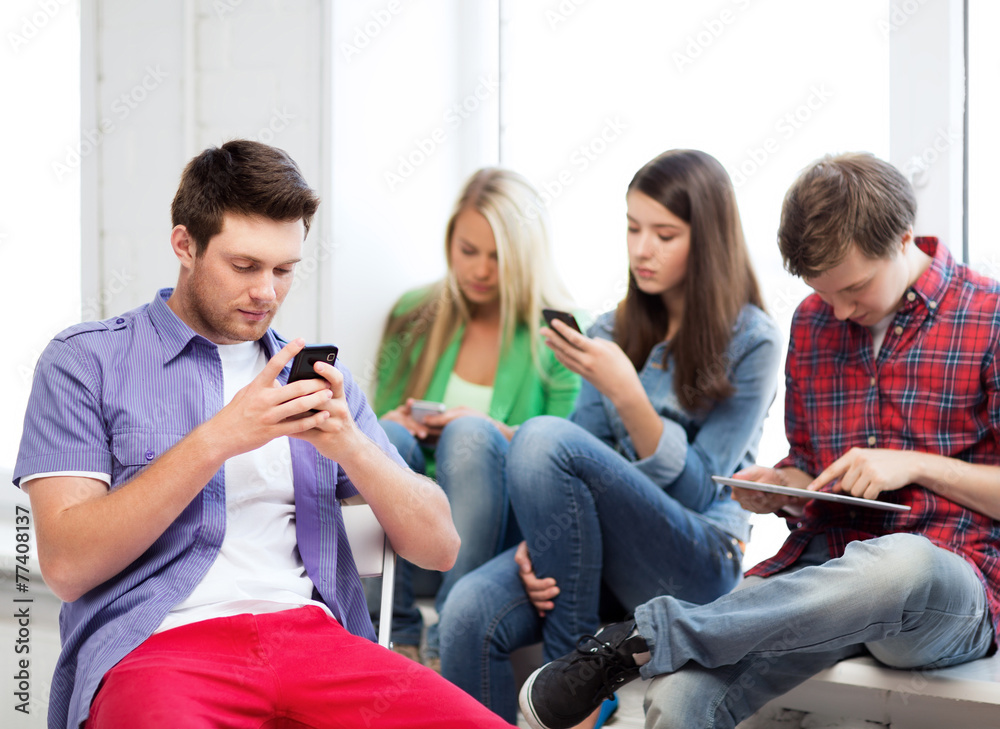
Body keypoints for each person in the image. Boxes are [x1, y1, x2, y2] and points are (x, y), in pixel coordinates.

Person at [13, 140, 515, 729]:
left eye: (284, 270)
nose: (267, 293)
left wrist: (349, 443)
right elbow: (68, 565)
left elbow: (439, 548)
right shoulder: (85, 362)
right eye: (244, 266)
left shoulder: (323, 385)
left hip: (316, 641)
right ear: (185, 245)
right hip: (158, 644)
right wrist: (221, 437)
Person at [517, 152, 1000, 729]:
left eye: (855, 288)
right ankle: (648, 645)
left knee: (900, 565)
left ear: (902, 240)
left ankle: (645, 636)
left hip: (946, 587)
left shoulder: (989, 315)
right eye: (826, 294)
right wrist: (783, 488)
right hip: (822, 585)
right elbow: (808, 467)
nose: (840, 310)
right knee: (676, 697)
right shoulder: (814, 321)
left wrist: (914, 466)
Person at [438, 149, 783, 725]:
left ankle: (570, 685)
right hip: (596, 557)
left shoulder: (754, 341)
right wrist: (537, 545)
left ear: (709, 241)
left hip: (696, 560)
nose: (642, 248)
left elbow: (701, 492)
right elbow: (564, 466)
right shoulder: (609, 330)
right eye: (632, 227)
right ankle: (570, 681)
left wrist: (628, 392)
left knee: (543, 435)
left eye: (665, 234)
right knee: (467, 612)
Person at [369, 167, 581, 667]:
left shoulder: (562, 336)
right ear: (450, 244)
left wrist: (491, 430)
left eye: (497, 257)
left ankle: (446, 641)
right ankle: (394, 632)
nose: (481, 271)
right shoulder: (415, 313)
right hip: (415, 538)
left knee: (468, 433)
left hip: (502, 539)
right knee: (386, 433)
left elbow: (570, 453)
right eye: (468, 252)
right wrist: (395, 418)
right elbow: (375, 430)